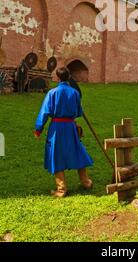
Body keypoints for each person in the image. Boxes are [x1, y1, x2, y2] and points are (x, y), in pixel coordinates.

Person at [34, 66, 93, 197]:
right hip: (71, 127)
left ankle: (61, 190)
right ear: (69, 77)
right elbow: (78, 112)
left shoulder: (52, 93)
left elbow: (45, 112)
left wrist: (39, 128)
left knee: (56, 154)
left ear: (58, 77)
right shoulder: (75, 93)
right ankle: (86, 182)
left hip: (57, 128)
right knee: (77, 151)